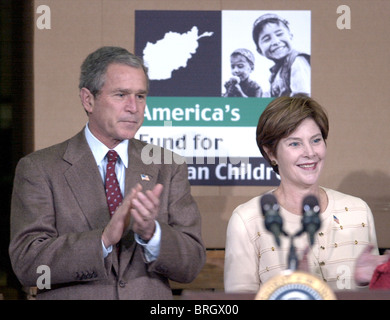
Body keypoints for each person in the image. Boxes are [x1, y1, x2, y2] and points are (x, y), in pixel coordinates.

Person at [9, 46, 206, 300]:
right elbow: (28, 264)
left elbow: (192, 264)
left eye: (140, 96)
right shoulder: (40, 168)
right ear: (88, 100)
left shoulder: (168, 166)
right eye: (121, 95)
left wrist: (152, 234)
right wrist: (102, 240)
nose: (133, 107)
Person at [224, 95, 379, 293]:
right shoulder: (247, 220)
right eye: (295, 144)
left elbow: (375, 294)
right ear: (271, 153)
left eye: (316, 140)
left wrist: (370, 284)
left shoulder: (358, 211)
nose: (310, 152)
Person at [252, 13, 311, 97]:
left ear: (290, 36)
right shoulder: (276, 72)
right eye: (266, 39)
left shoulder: (297, 61)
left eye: (279, 34)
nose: (276, 41)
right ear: (260, 51)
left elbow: (302, 97)